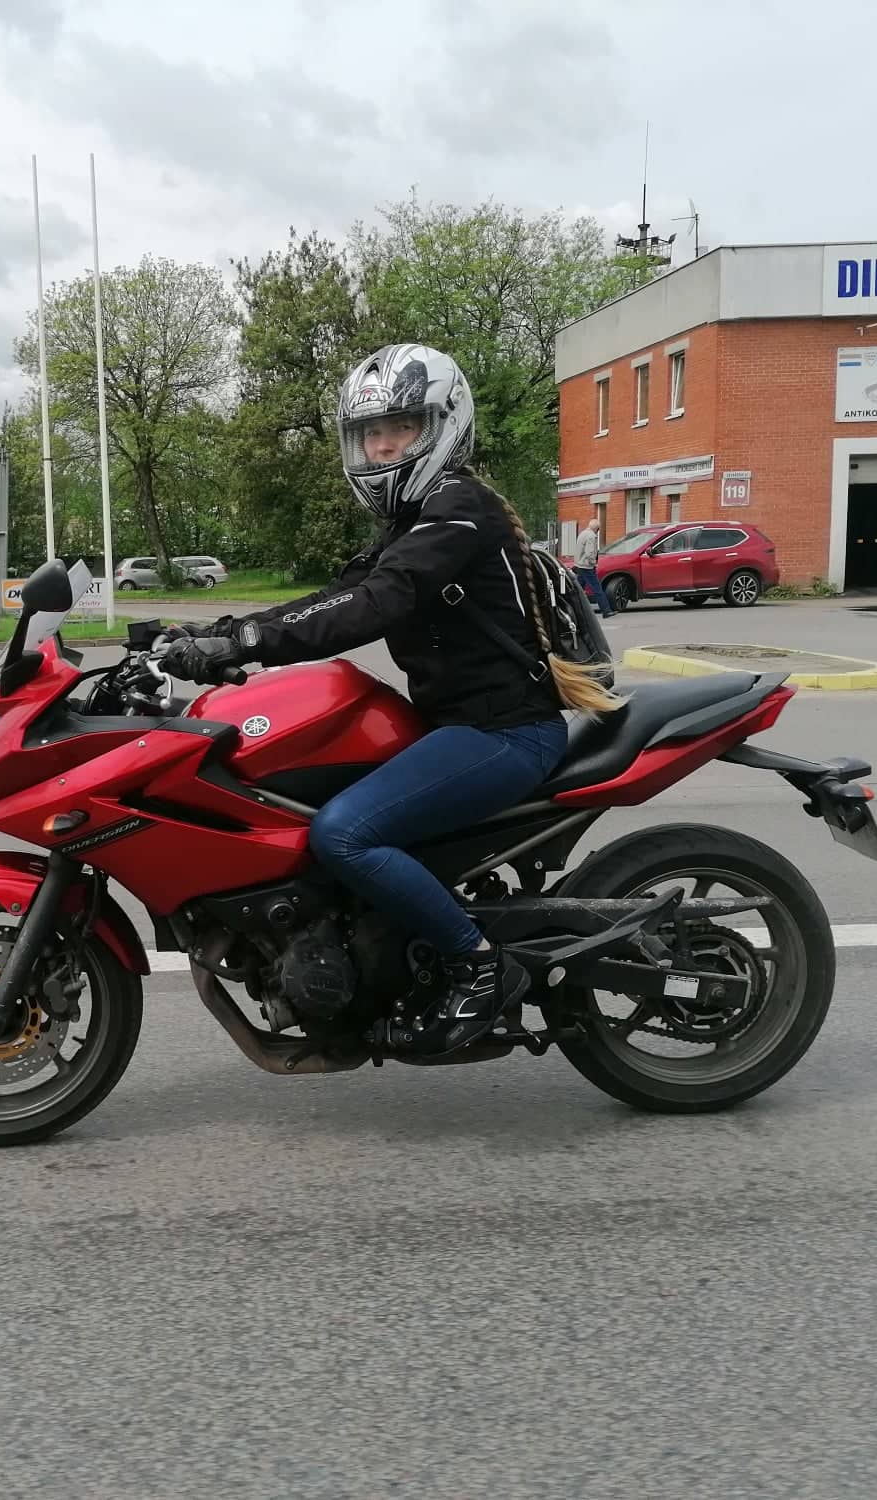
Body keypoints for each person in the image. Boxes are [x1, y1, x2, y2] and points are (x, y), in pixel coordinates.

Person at [160, 343, 623, 1058]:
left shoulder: (459, 509)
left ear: (442, 426)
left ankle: (478, 965)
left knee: (344, 833)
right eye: (370, 433)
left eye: (400, 428)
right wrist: (217, 634)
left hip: (505, 733)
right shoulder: (413, 523)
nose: (381, 447)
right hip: (455, 729)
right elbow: (337, 596)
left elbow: (379, 601)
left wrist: (243, 642)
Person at [574, 518, 615, 618]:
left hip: (580, 565)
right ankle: (606, 611)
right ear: (597, 529)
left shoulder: (582, 534)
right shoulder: (591, 536)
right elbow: (590, 553)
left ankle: (574, 609)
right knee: (597, 589)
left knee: (577, 590)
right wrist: (593, 563)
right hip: (587, 567)